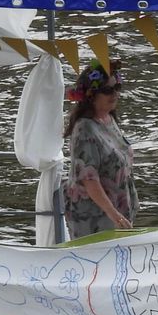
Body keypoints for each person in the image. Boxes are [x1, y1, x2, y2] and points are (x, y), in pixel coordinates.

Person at [63, 59, 137, 240]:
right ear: (92, 95)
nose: (115, 94)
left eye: (117, 88)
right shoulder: (84, 129)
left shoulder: (109, 120)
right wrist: (114, 215)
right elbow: (89, 180)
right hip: (95, 216)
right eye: (107, 90)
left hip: (118, 210)